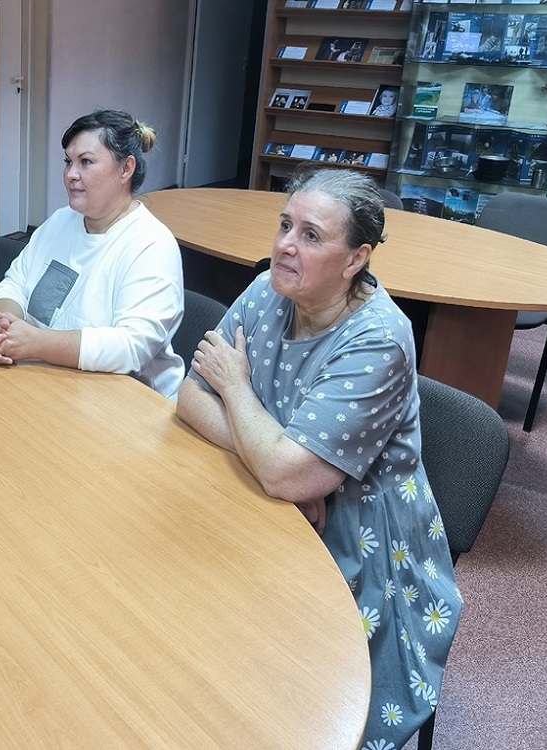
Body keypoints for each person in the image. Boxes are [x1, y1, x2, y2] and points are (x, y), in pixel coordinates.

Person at [175, 168, 460, 749]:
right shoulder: (267, 290)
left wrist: (238, 390)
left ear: (356, 259)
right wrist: (276, 460)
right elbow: (189, 396)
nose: (285, 244)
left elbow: (282, 466)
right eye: (285, 225)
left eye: (310, 235)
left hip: (359, 535)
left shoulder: (378, 339)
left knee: (289, 695)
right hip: (279, 500)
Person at [0, 110, 184, 399]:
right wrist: (4, 326)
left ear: (126, 169)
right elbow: (14, 284)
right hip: (45, 382)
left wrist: (35, 343)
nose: (71, 174)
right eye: (68, 162)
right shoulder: (61, 220)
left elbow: (131, 347)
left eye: (86, 162)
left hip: (124, 402)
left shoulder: (151, 244)